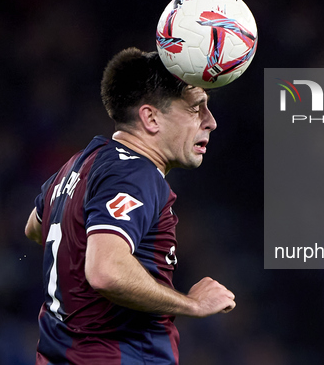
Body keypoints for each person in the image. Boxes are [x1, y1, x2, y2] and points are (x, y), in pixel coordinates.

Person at [24, 47, 236, 364]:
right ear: (150, 118)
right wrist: (192, 303)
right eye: (196, 109)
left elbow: (35, 227)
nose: (211, 122)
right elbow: (106, 272)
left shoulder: (76, 166)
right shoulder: (136, 174)